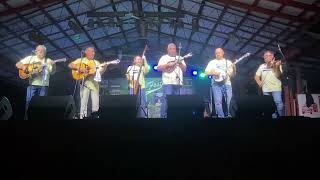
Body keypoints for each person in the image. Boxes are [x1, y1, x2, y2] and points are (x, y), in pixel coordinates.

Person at [15, 45, 56, 120]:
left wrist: (54, 65)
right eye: (38, 50)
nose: (40, 52)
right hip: (32, 85)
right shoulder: (31, 58)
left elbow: (52, 72)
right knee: (29, 103)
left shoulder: (48, 60)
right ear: (36, 51)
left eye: (42, 50)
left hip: (44, 86)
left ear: (45, 52)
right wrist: (25, 68)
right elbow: (18, 64)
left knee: (42, 105)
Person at [68, 47, 108, 119]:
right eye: (91, 51)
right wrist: (80, 69)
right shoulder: (81, 60)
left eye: (94, 52)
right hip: (84, 82)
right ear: (86, 52)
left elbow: (100, 73)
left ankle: (95, 115)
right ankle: (82, 116)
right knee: (83, 101)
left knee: (96, 102)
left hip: (94, 84)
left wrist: (104, 67)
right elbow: (70, 65)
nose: (93, 53)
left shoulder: (96, 62)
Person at [157, 43, 187, 118]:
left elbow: (184, 69)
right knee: (166, 100)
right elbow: (159, 68)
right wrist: (168, 65)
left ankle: (175, 117)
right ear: (167, 50)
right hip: (167, 82)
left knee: (176, 101)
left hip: (177, 82)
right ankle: (163, 116)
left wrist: (180, 63)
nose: (172, 50)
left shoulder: (180, 57)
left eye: (174, 48)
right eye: (170, 48)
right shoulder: (164, 57)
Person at [205, 48, 235, 118]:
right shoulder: (212, 62)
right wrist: (215, 72)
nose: (217, 54)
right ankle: (221, 117)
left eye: (219, 52)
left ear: (223, 53)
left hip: (226, 83)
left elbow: (232, 74)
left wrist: (229, 73)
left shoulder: (228, 62)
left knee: (229, 101)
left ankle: (230, 115)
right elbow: (206, 72)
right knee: (218, 102)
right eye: (216, 53)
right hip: (216, 84)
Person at [255, 50, 284, 118]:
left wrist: (276, 67)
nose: (267, 57)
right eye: (266, 56)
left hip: (276, 88)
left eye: (269, 55)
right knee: (269, 105)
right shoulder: (262, 66)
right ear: (264, 58)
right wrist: (259, 82)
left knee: (278, 103)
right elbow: (256, 76)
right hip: (266, 89)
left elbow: (278, 75)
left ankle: (281, 116)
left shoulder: (277, 64)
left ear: (273, 57)